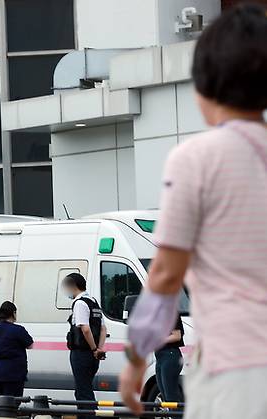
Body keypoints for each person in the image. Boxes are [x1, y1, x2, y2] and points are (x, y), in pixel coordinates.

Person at [119, 4, 267, 419]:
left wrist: (134, 357)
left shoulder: (197, 159)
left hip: (234, 370)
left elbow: (166, 274)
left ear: (204, 85)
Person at [63, 273, 107, 419]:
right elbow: (103, 329)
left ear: (73, 285)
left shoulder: (80, 303)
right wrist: (99, 349)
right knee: (84, 389)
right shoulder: (93, 302)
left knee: (83, 392)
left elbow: (85, 329)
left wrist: (94, 349)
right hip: (93, 355)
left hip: (82, 353)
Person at [0, 301, 34, 398]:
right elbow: (30, 345)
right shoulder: (18, 330)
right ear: (13, 313)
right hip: (14, 374)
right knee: (12, 404)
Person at [155, 314, 184, 403]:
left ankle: (178, 415)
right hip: (160, 356)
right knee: (165, 394)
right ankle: (174, 414)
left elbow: (177, 336)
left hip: (170, 355)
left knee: (171, 395)